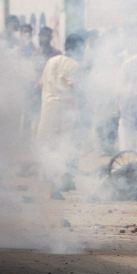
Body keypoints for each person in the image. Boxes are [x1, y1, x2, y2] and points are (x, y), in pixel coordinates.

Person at [36, 33, 85, 198]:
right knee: (65, 146)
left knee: (50, 146)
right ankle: (58, 184)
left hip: (48, 108)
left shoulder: (51, 61)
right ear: (78, 48)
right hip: (64, 111)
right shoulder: (73, 65)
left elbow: (40, 84)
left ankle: (53, 181)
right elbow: (75, 88)